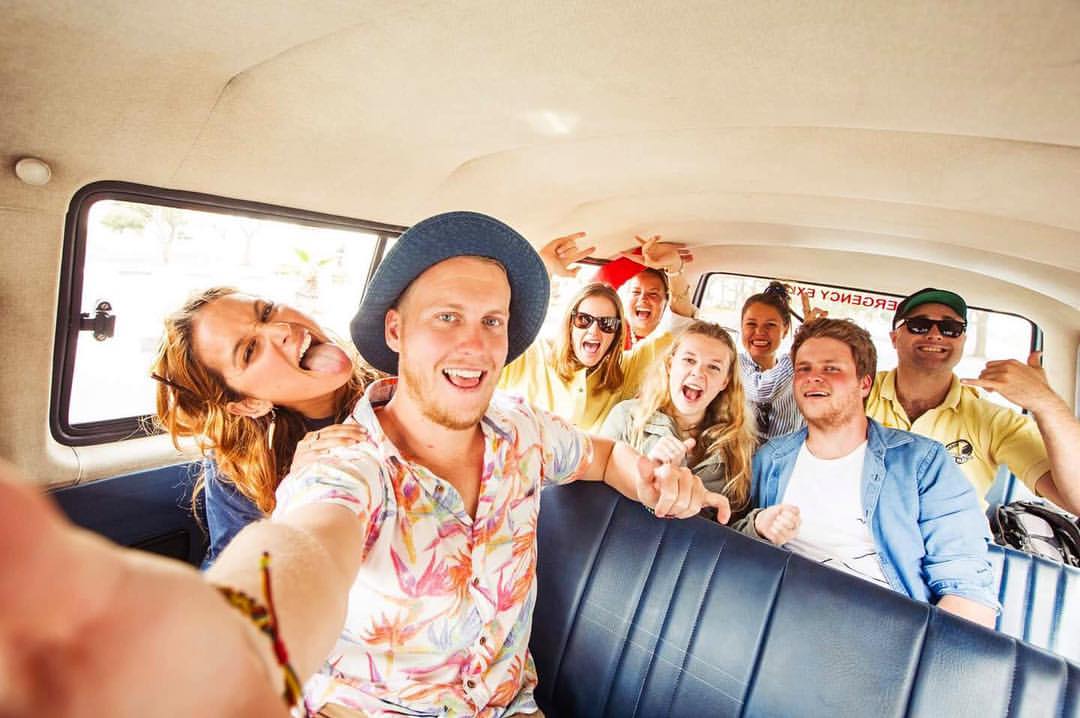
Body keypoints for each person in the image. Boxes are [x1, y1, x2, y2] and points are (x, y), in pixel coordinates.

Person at [3, 211, 730, 717]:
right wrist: (233, 648)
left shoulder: (521, 428)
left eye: (493, 322)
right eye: (446, 317)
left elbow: (599, 454)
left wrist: (656, 479)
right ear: (396, 331)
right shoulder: (338, 464)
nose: (475, 344)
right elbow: (303, 547)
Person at [740, 318, 997, 627]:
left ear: (864, 384)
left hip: (881, 626)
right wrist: (758, 527)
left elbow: (966, 588)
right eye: (803, 369)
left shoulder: (923, 463)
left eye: (831, 368)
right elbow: (738, 543)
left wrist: (932, 651)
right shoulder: (770, 458)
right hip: (776, 615)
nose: (813, 378)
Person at [151, 288, 374, 564]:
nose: (282, 329)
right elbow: (237, 570)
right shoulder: (240, 464)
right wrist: (295, 493)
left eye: (267, 311)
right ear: (249, 404)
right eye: (249, 351)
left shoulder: (401, 379)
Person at [866, 287, 1080, 514]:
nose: (935, 334)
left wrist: (1046, 403)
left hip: (950, 536)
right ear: (895, 337)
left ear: (963, 340)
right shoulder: (856, 393)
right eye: (919, 325)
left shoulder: (996, 421)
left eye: (951, 328)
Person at [498, 233, 697, 432]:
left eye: (607, 323)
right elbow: (495, 331)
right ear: (570, 323)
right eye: (584, 320)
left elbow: (679, 325)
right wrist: (542, 268)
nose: (594, 330)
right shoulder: (532, 356)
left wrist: (674, 271)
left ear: (616, 333)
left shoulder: (624, 371)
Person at [599, 320, 756, 521]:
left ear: (725, 382)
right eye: (689, 360)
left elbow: (730, 527)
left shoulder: (737, 447)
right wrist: (648, 477)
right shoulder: (627, 416)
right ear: (670, 364)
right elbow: (596, 490)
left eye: (713, 367)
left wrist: (757, 524)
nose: (698, 372)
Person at [739, 281, 825, 442]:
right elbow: (762, 390)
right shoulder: (734, 364)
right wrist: (803, 341)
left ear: (785, 330)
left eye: (770, 325)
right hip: (742, 454)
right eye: (751, 324)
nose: (759, 331)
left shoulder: (800, 375)